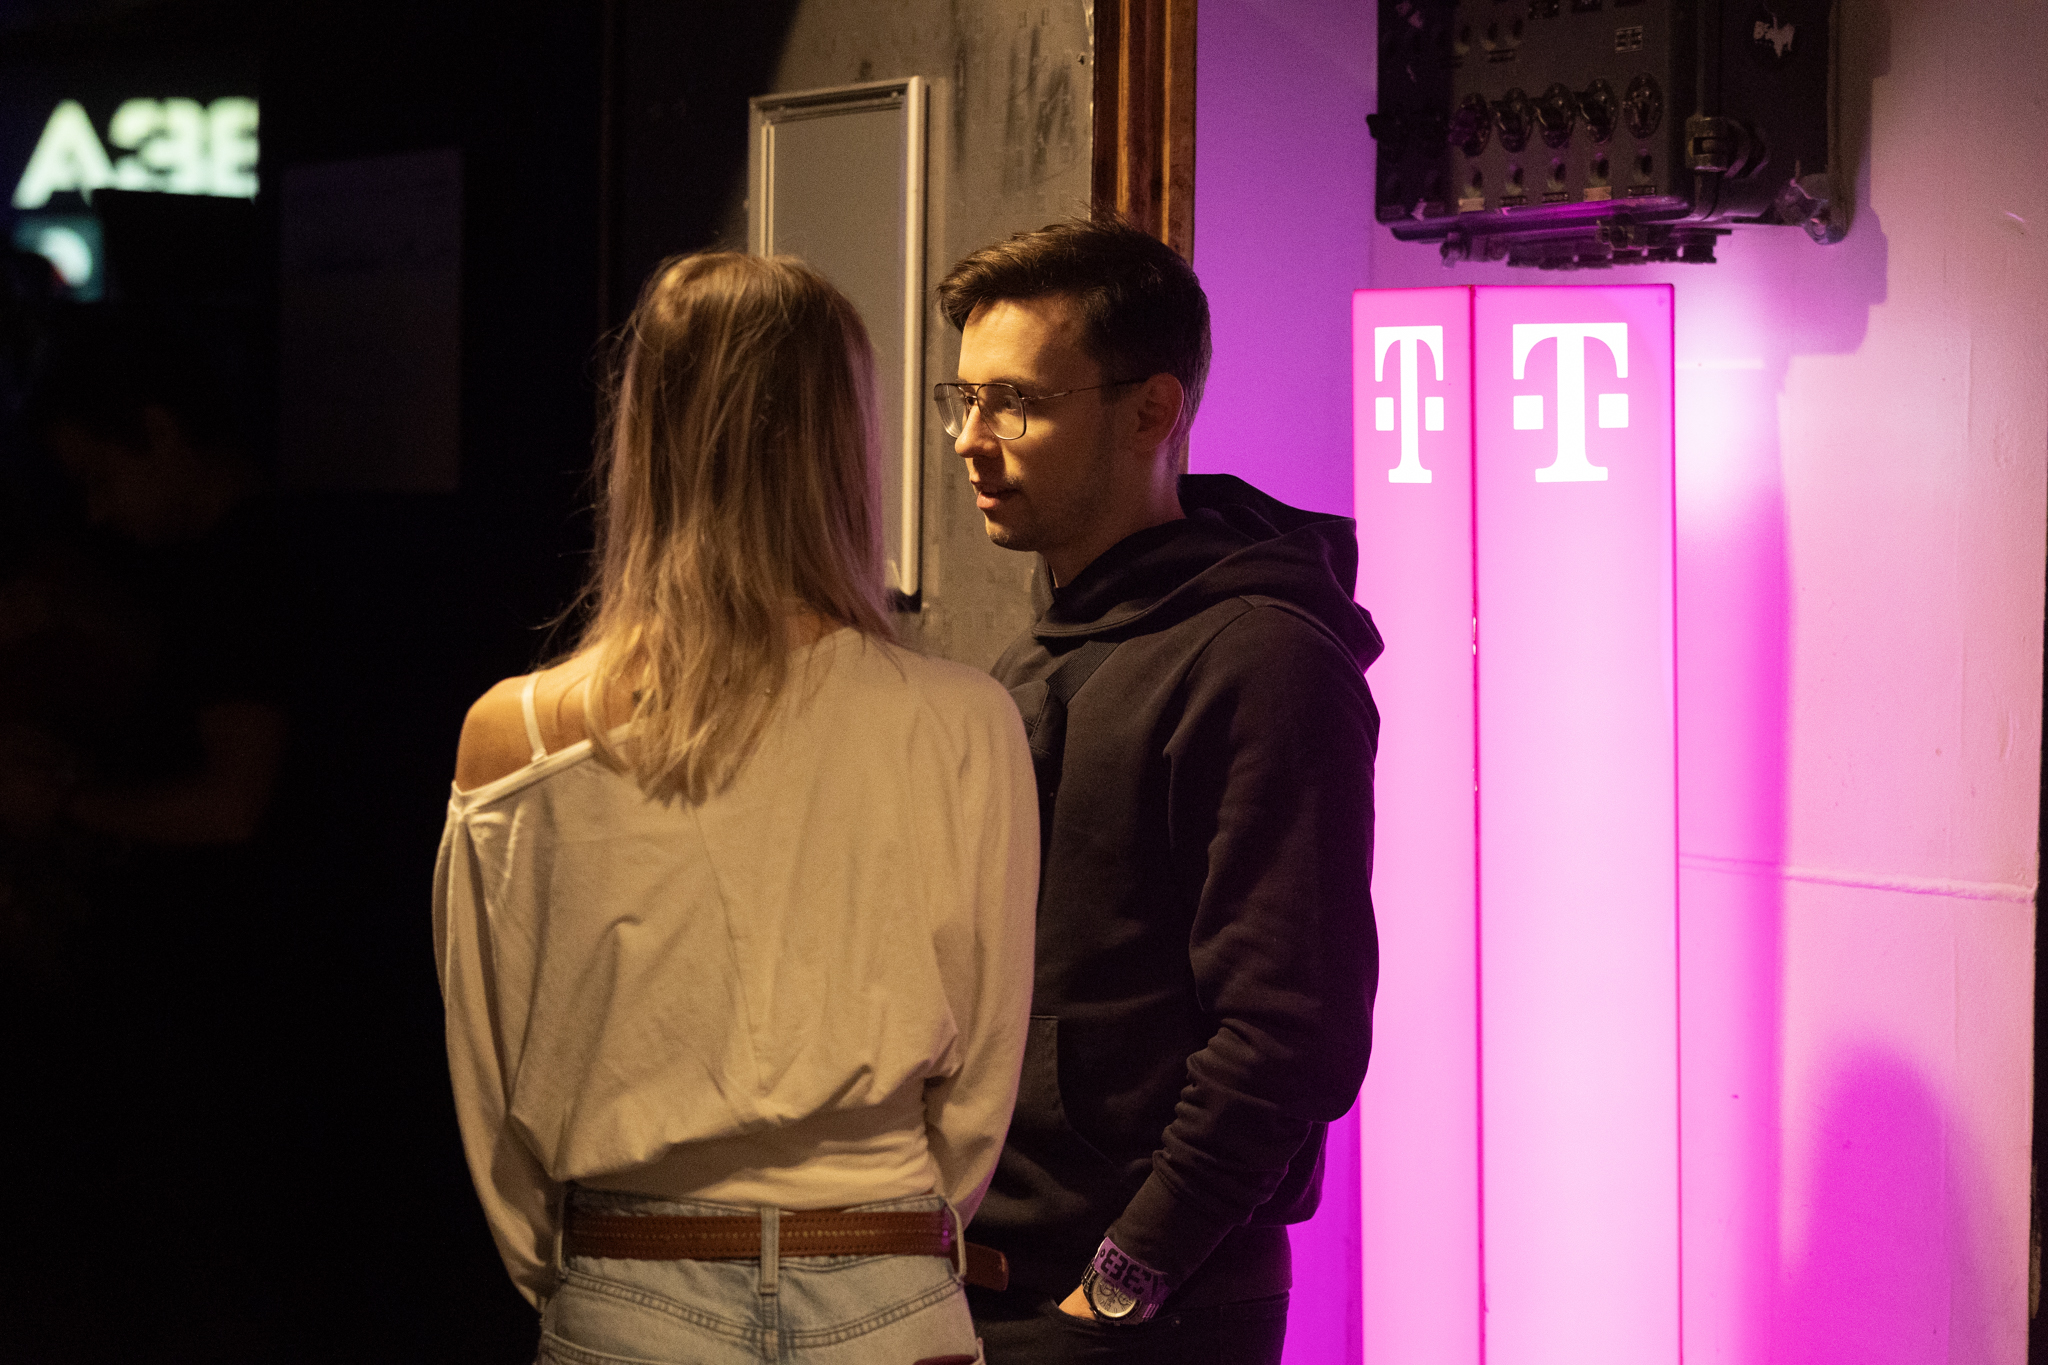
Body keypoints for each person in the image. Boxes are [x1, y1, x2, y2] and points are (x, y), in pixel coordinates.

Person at [435, 253, 1038, 1364]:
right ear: (843, 439)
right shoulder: (966, 722)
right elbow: (980, 1085)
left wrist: (591, 1270)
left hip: (632, 1276)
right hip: (887, 1279)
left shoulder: (519, 736)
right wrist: (877, 1232)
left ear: (647, 433)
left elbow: (493, 1087)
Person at [932, 218, 1382, 1364]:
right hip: (999, 1281)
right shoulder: (1040, 653)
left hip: (1142, 1305)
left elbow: (1290, 1028)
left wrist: (1127, 1277)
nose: (971, 441)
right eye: (963, 401)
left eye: (1015, 404)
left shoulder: (1261, 657)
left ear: (1150, 411)